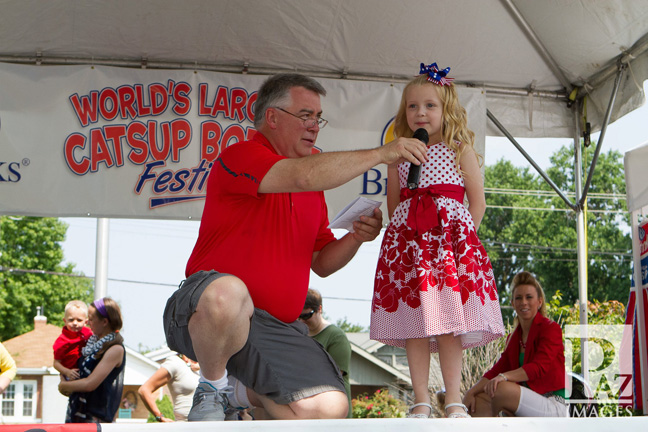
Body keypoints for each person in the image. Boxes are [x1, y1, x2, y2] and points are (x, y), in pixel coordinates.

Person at [163, 72, 429, 422]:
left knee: (329, 409)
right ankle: (211, 389)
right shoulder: (241, 155)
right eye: (305, 116)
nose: (315, 126)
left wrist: (356, 237)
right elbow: (303, 175)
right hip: (207, 316)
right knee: (227, 292)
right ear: (272, 118)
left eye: (318, 118)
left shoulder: (312, 191)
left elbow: (322, 262)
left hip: (275, 331)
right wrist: (382, 153)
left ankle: (240, 393)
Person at [371, 63, 505, 419]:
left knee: (449, 326)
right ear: (404, 113)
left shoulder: (459, 149)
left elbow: (477, 203)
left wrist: (460, 242)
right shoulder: (397, 156)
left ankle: (455, 399)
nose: (421, 112)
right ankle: (420, 400)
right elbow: (396, 204)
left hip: (448, 253)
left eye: (430, 105)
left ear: (446, 110)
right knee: (415, 325)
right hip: (411, 251)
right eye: (413, 106)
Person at [463, 271, 568, 417]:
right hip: (525, 402)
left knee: (500, 388)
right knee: (478, 400)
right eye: (518, 298)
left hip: (554, 403)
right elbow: (495, 371)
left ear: (539, 301)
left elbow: (539, 367)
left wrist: (504, 377)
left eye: (529, 297)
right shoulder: (514, 338)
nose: (523, 302)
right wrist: (470, 392)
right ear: (512, 303)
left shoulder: (551, 329)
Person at [60, 298, 126, 423]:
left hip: (96, 419)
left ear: (104, 322)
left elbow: (90, 384)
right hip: (77, 411)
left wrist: (64, 385)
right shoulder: (91, 343)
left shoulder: (115, 349)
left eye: (91, 319)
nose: (87, 322)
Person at [300, 288, 352, 418]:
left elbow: (333, 377)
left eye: (306, 315)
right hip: (309, 410)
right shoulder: (299, 336)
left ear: (319, 309)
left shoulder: (335, 336)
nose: (302, 320)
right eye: (299, 316)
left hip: (334, 411)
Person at [138, 353, 200, 422]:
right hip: (185, 426)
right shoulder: (175, 362)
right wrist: (159, 417)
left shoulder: (203, 365)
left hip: (208, 425)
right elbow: (144, 390)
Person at [53, 300, 93, 381]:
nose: (75, 323)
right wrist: (67, 372)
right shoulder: (61, 341)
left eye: (79, 320)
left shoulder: (88, 333)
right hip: (71, 374)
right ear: (65, 321)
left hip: (87, 372)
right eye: (71, 320)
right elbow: (56, 363)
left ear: (86, 321)